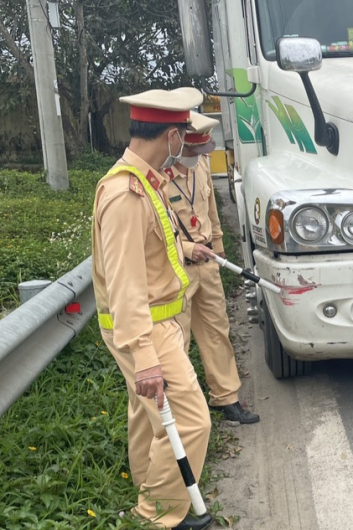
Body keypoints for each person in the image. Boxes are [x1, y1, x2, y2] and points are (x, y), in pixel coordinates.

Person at [92, 88, 212, 530]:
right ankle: (157, 516)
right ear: (170, 135)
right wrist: (145, 357)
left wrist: (183, 248)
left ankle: (148, 485)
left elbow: (150, 244)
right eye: (182, 133)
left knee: (148, 421)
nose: (185, 143)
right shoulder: (126, 195)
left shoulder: (144, 182)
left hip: (154, 324)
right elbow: (125, 283)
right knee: (192, 421)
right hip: (147, 329)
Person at [167, 111, 259, 424]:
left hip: (207, 265)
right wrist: (188, 248)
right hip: (175, 270)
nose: (198, 157)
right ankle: (179, 412)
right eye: (193, 151)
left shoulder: (202, 166)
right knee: (177, 339)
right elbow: (153, 236)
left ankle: (226, 398)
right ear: (179, 146)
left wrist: (217, 249)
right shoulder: (157, 176)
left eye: (202, 151)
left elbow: (211, 213)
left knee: (217, 332)